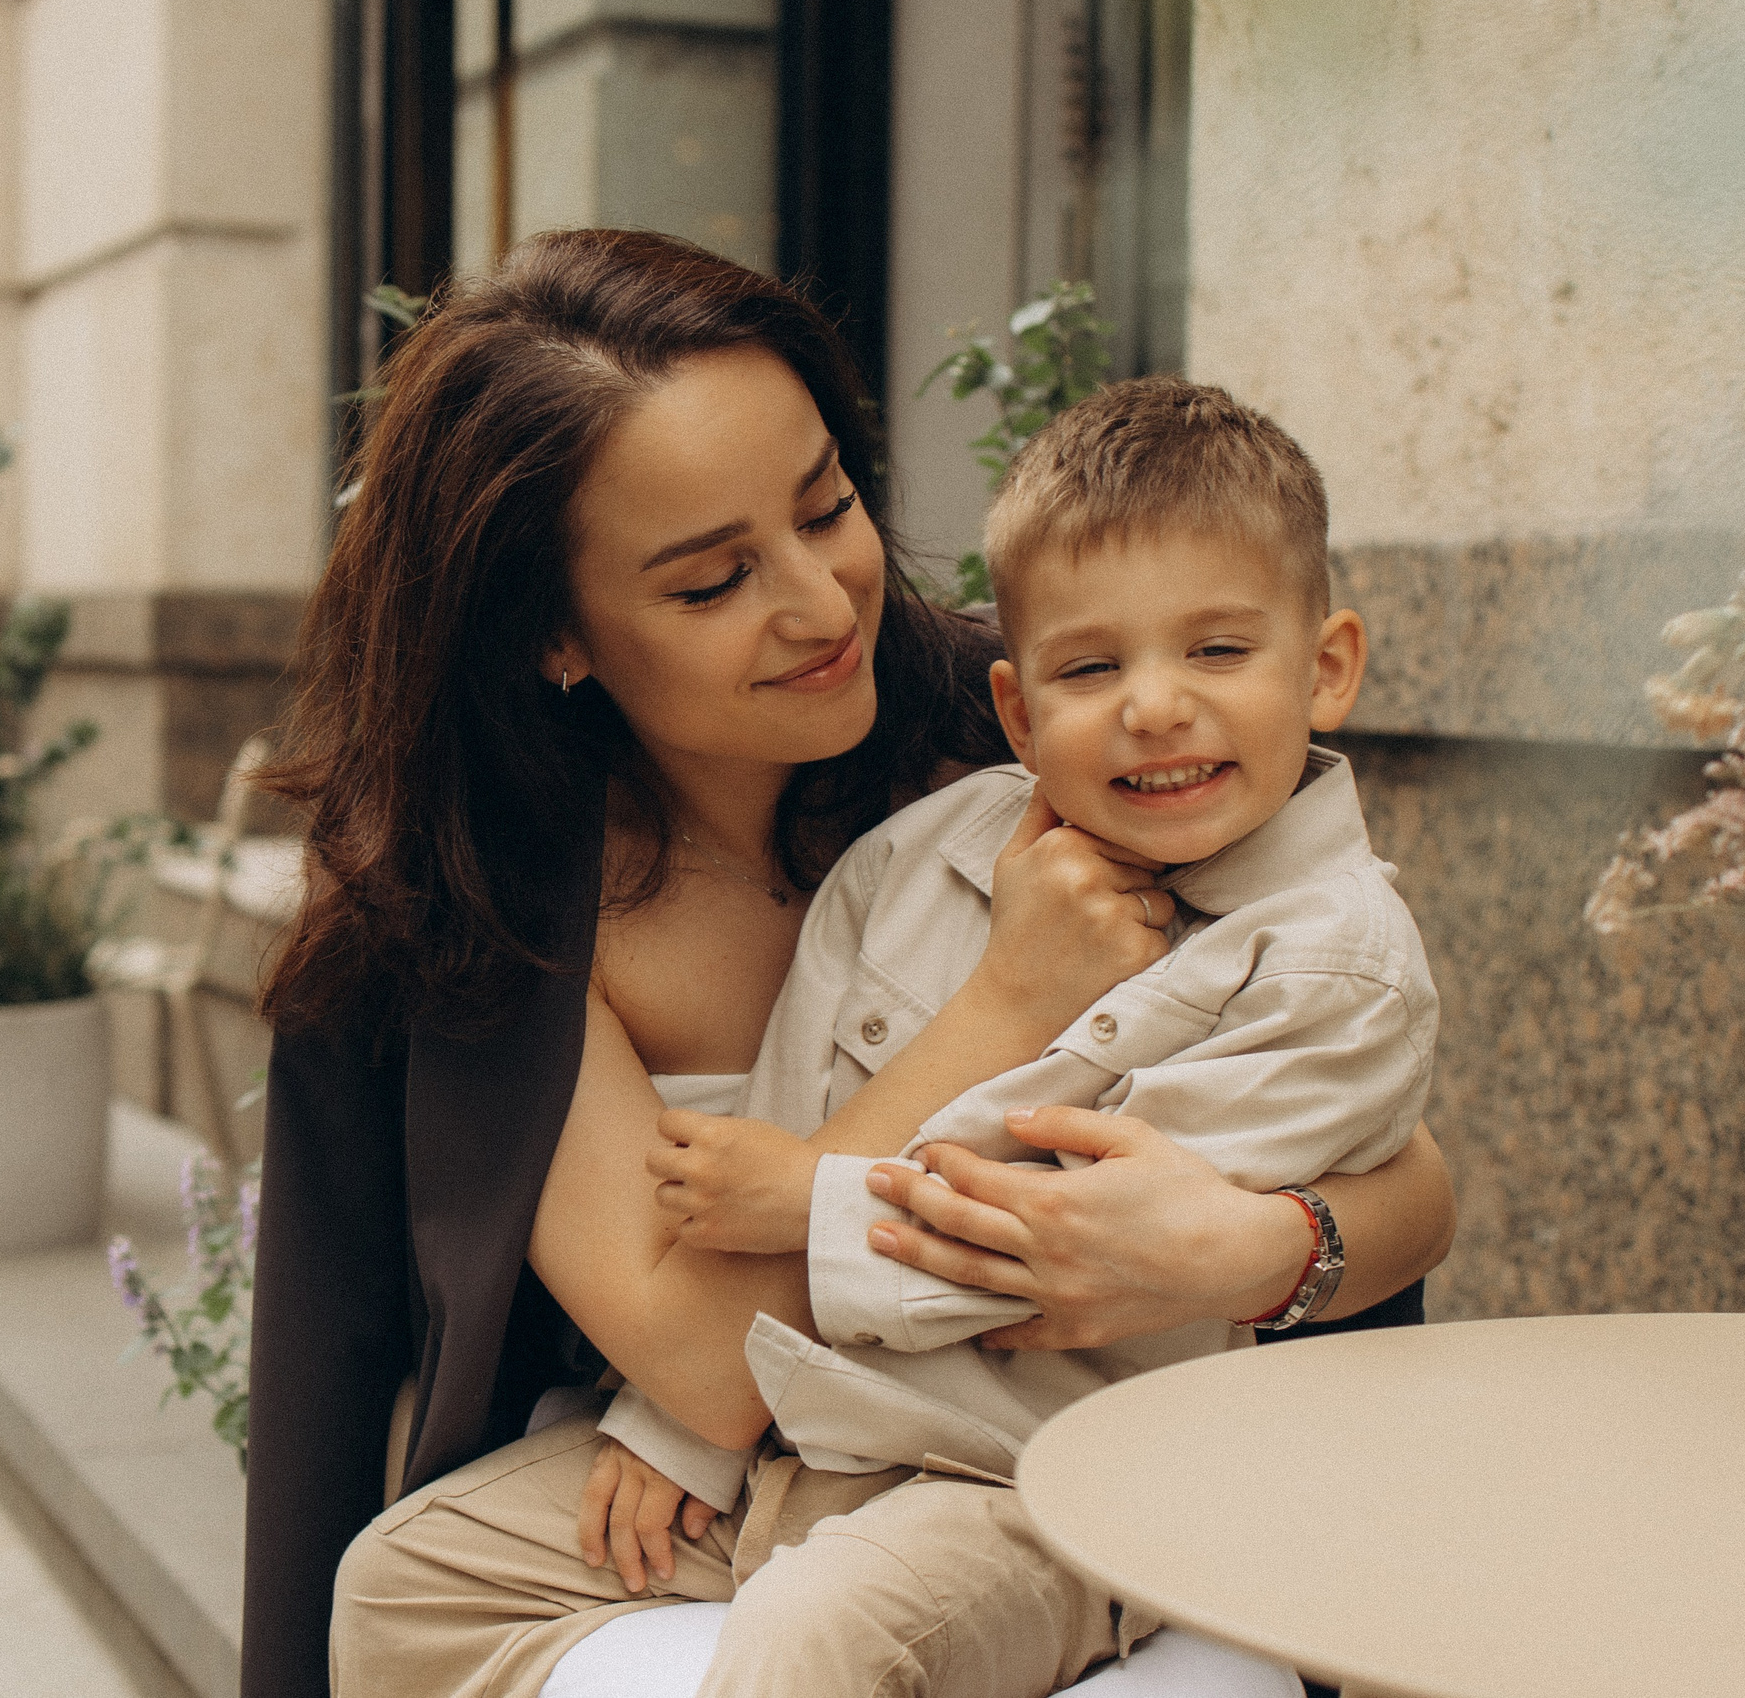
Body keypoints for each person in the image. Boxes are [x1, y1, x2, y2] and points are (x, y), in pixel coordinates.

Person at [243, 229, 1456, 1698]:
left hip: (1038, 1455)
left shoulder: (1036, 736)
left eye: (827, 507)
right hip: (730, 1470)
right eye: (711, 583)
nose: (821, 606)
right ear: (554, 634)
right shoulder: (499, 898)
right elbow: (700, 1357)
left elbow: (1402, 1168)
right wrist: (1006, 998)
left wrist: (1254, 1247)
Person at [619, 377, 1432, 1625]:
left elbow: (1085, 1241)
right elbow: (785, 1114)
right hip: (814, 1428)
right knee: (405, 1573)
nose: (1154, 704)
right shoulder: (920, 852)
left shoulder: (1327, 962)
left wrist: (806, 1199)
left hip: (1055, 1467)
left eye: (1216, 648)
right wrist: (675, 1429)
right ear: (1017, 708)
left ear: (1326, 669)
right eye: (1092, 665)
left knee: (811, 1635)